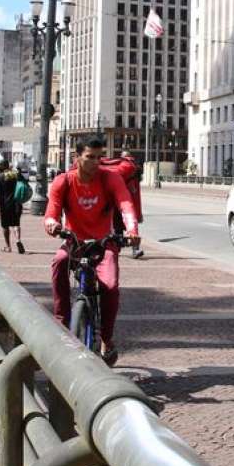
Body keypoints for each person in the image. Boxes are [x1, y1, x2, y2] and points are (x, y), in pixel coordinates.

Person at [44, 136, 139, 366]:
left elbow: (125, 204)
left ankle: (107, 338)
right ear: (77, 158)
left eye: (99, 157)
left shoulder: (110, 178)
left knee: (110, 285)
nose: (96, 162)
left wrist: (131, 229)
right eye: (90, 157)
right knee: (58, 262)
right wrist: (52, 224)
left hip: (104, 243)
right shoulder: (63, 181)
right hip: (74, 242)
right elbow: (51, 212)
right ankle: (62, 322)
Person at [107, 151, 145, 259]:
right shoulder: (135, 170)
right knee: (132, 228)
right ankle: (135, 249)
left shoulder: (121, 168)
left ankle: (116, 250)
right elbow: (136, 194)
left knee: (117, 227)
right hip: (129, 204)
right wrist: (139, 213)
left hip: (118, 203)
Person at [0, 159, 25, 254]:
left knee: (5, 226)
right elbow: (24, 185)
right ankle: (18, 240)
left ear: (2, 166)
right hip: (17, 203)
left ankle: (8, 246)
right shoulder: (17, 175)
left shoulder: (0, 177)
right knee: (16, 223)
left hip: (5, 204)